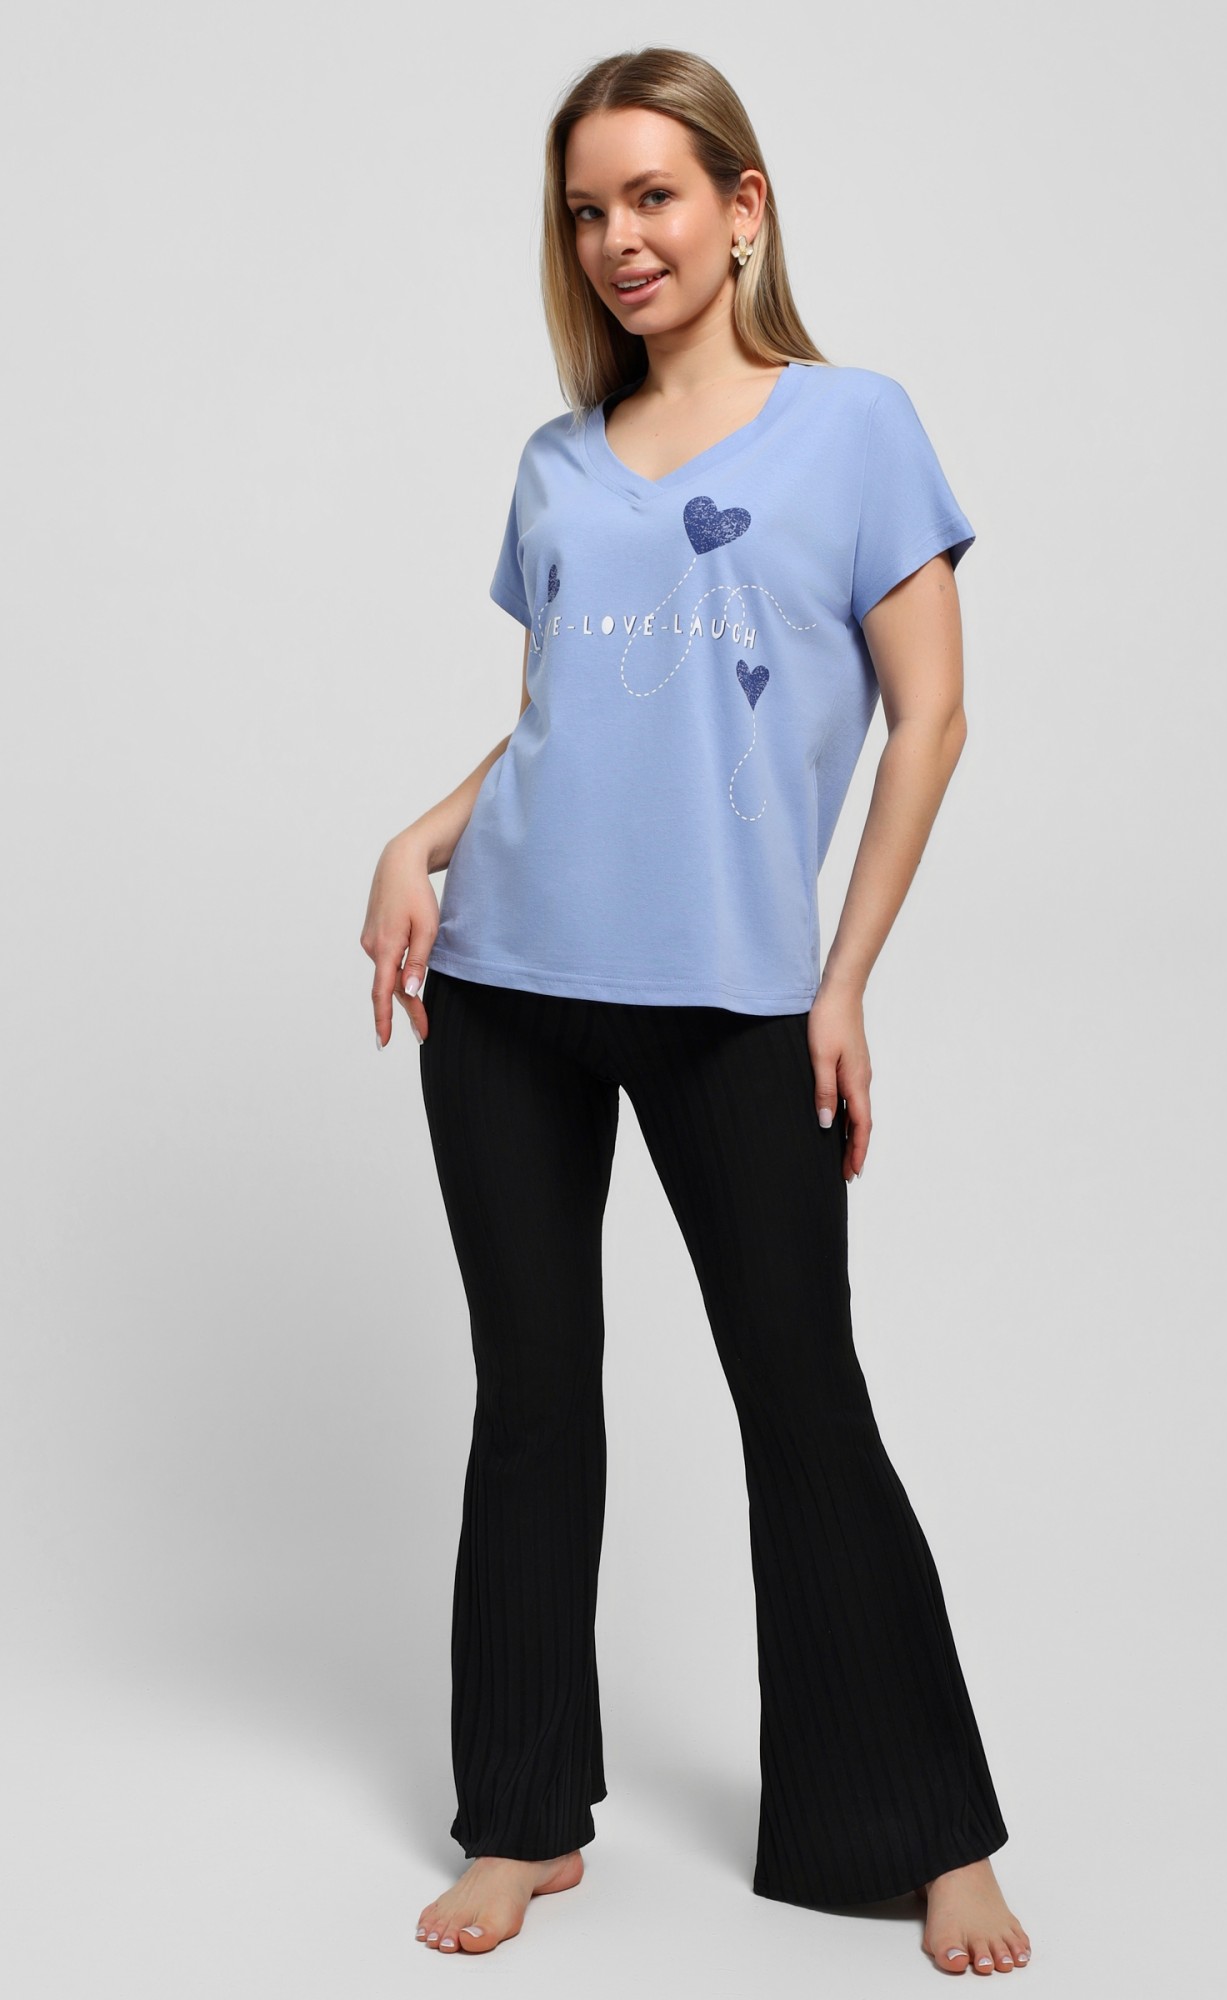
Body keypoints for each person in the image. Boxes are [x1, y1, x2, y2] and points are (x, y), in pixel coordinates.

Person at [360, 45, 1033, 1978]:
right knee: (531, 1399)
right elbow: (571, 722)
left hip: (739, 998)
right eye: (588, 209)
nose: (619, 239)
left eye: (653, 195)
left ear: (743, 206)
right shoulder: (557, 461)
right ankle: (520, 1819)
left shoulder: (856, 427)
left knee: (803, 1401)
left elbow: (932, 720)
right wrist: (422, 834)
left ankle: (921, 1832)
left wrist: (844, 980)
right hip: (505, 984)